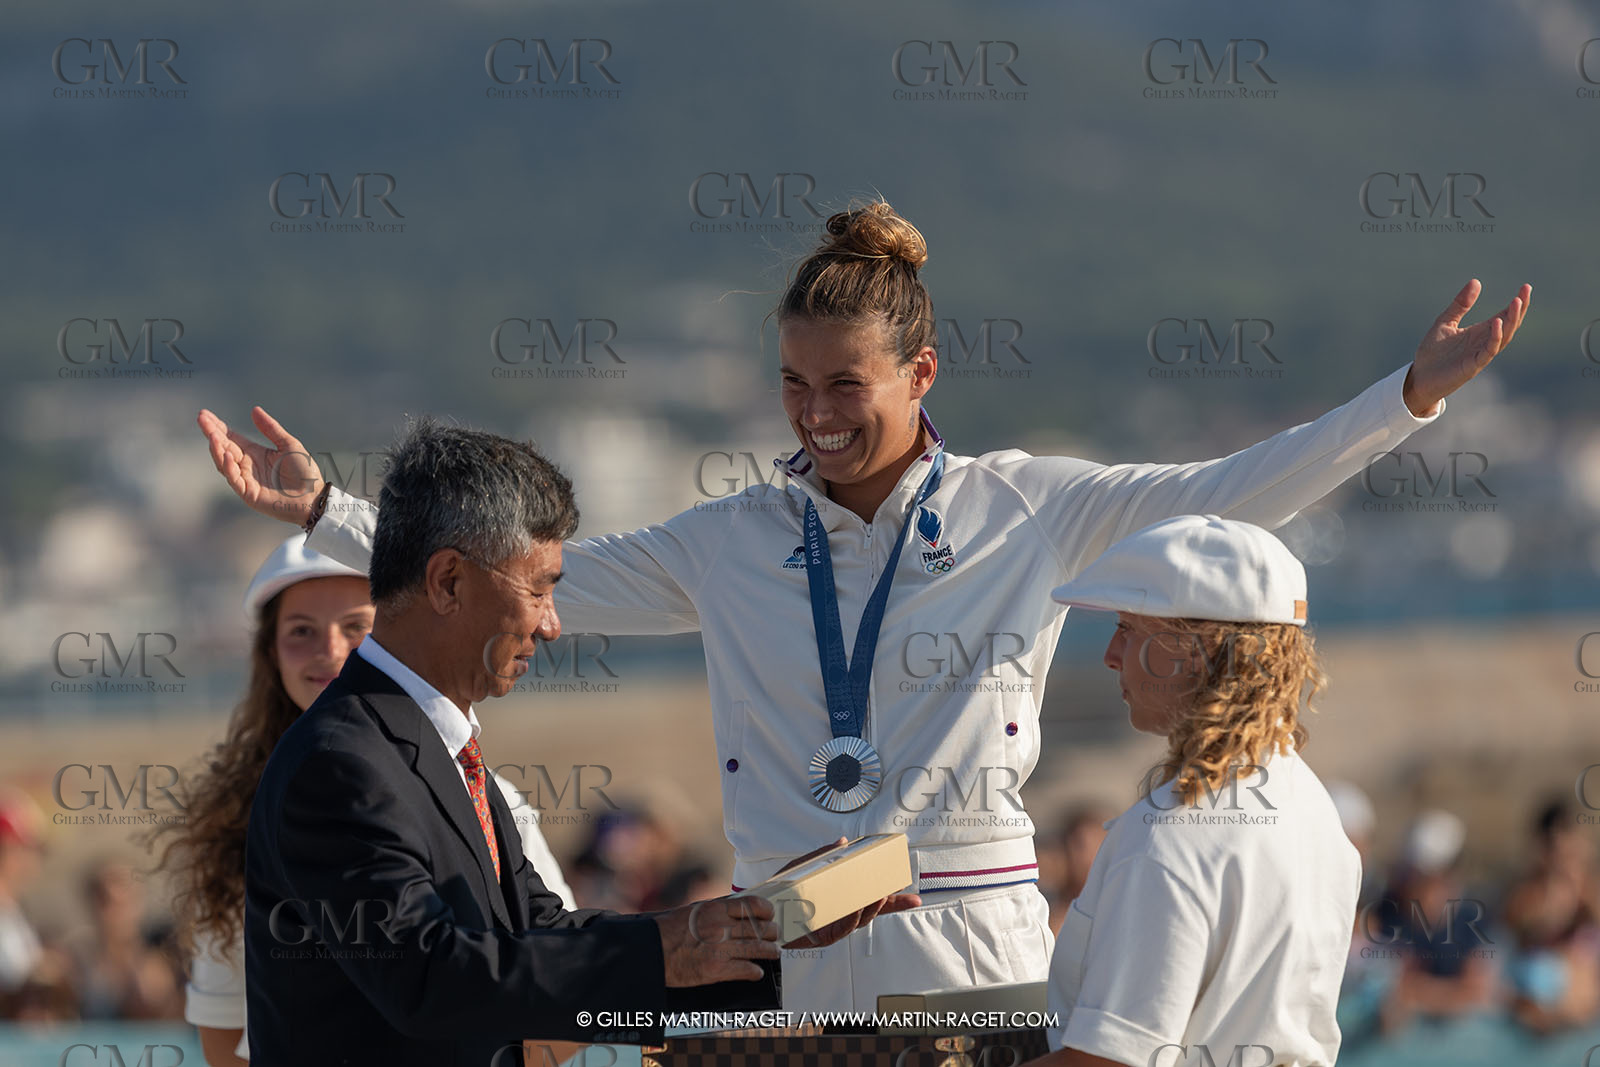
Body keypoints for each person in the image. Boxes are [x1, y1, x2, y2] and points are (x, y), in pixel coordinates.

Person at [197, 199, 1530, 1011]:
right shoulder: (733, 536)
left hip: (975, 951)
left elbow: (1235, 489)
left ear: (924, 369)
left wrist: (1406, 399)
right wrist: (329, 513)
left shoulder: (1028, 506)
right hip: (782, 954)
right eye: (794, 387)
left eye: (849, 385)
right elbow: (522, 575)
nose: (820, 416)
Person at [240, 420, 911, 1064]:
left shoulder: (429, 747)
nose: (554, 625)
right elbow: (430, 977)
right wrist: (669, 947)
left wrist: (757, 934)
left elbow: (542, 936)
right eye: (538, 589)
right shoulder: (341, 761)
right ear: (447, 581)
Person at [152, 533, 582, 1065]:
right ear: (270, 652)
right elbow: (223, 1035)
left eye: (356, 627)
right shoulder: (238, 821)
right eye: (301, 631)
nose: (329, 651)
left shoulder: (493, 799)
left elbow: (569, 989)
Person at [1027, 514, 1359, 1066]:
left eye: (1129, 630)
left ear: (1195, 650)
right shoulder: (1311, 805)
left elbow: (1109, 1059)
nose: (1110, 654)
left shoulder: (1170, 836)